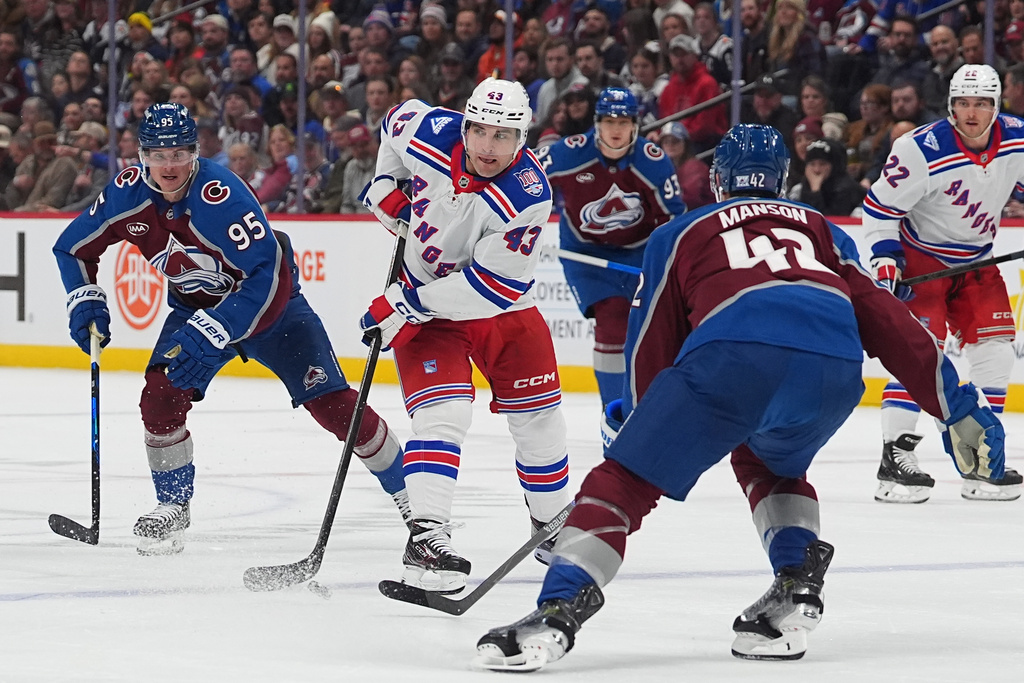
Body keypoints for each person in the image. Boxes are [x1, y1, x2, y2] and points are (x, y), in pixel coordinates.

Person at [473, 123, 1009, 671]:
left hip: (736, 357)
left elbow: (651, 342)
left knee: (623, 482)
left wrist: (637, 414)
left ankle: (558, 609)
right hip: (833, 370)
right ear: (782, 180)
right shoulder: (825, 230)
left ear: (719, 180)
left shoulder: (680, 232)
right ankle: (797, 586)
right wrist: (957, 408)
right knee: (771, 464)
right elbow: (892, 323)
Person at [52, 103, 410, 556]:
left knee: (336, 407)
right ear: (140, 156)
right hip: (192, 311)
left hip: (273, 311)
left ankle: (413, 502)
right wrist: (84, 299)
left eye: (179, 153)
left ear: (196, 153)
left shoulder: (222, 198)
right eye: (158, 154)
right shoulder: (127, 195)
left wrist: (220, 326)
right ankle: (173, 508)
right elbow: (73, 248)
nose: (169, 165)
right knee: (161, 396)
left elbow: (270, 273)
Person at [360, 78, 571, 594]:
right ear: (466, 124)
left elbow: (490, 289)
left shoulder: (527, 194)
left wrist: (405, 305)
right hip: (432, 316)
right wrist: (385, 187)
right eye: (480, 131)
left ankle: (552, 529)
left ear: (522, 138)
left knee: (539, 419)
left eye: (503, 136)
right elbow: (393, 119)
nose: (488, 146)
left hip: (499, 309)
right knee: (443, 414)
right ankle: (427, 539)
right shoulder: (430, 130)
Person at [863, 63, 1024, 504]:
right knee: (920, 354)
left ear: (996, 106)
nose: (972, 112)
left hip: (976, 261)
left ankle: (980, 460)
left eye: (982, 103)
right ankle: (894, 460)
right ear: (951, 105)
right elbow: (878, 210)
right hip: (922, 261)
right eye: (963, 103)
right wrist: (885, 259)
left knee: (995, 351)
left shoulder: (1017, 139)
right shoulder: (920, 148)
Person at [537, 87, 685, 407]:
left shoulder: (652, 163)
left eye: (623, 121)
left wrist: (659, 264)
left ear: (635, 125)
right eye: (608, 121)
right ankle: (614, 411)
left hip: (641, 252)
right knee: (613, 320)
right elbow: (524, 177)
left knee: (653, 327)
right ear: (596, 123)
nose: (615, 129)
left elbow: (673, 220)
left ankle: (649, 403)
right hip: (585, 252)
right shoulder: (570, 153)